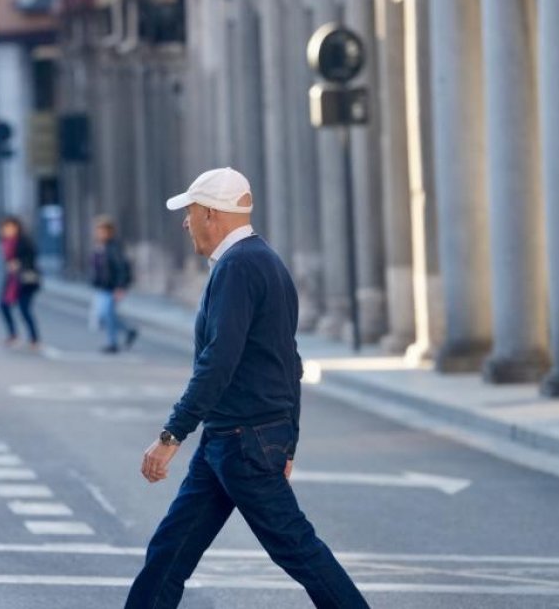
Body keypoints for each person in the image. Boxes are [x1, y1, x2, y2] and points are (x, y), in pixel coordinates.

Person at [126, 168, 369, 609]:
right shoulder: (265, 261)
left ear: (212, 215)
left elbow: (218, 361)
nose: (186, 223)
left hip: (243, 441)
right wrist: (289, 442)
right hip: (232, 438)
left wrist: (171, 435)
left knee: (297, 549)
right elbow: (287, 361)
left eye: (191, 212)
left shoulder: (238, 267)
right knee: (169, 552)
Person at [90, 216, 138, 354]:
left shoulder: (114, 247)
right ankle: (128, 331)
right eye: (98, 231)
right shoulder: (99, 246)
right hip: (101, 286)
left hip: (111, 287)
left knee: (106, 315)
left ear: (109, 232)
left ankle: (113, 343)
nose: (99, 234)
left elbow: (122, 267)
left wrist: (120, 287)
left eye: (102, 231)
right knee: (106, 316)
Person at [0, 216, 42, 349]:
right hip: (12, 279)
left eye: (10, 227)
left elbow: (33, 258)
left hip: (26, 280)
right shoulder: (5, 242)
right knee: (3, 305)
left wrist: (19, 264)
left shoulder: (24, 241)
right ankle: (12, 334)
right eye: (5, 228)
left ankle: (34, 338)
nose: (7, 230)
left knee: (24, 309)